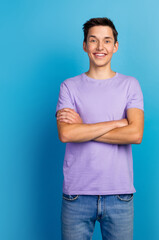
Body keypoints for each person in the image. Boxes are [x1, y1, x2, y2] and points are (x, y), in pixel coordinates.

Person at [55, 17, 144, 240]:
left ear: (115, 46)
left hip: (119, 194)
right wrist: (116, 123)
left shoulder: (130, 84)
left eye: (106, 41)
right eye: (93, 40)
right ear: (85, 45)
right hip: (77, 194)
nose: (100, 47)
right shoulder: (69, 86)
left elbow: (135, 134)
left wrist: (82, 129)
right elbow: (66, 133)